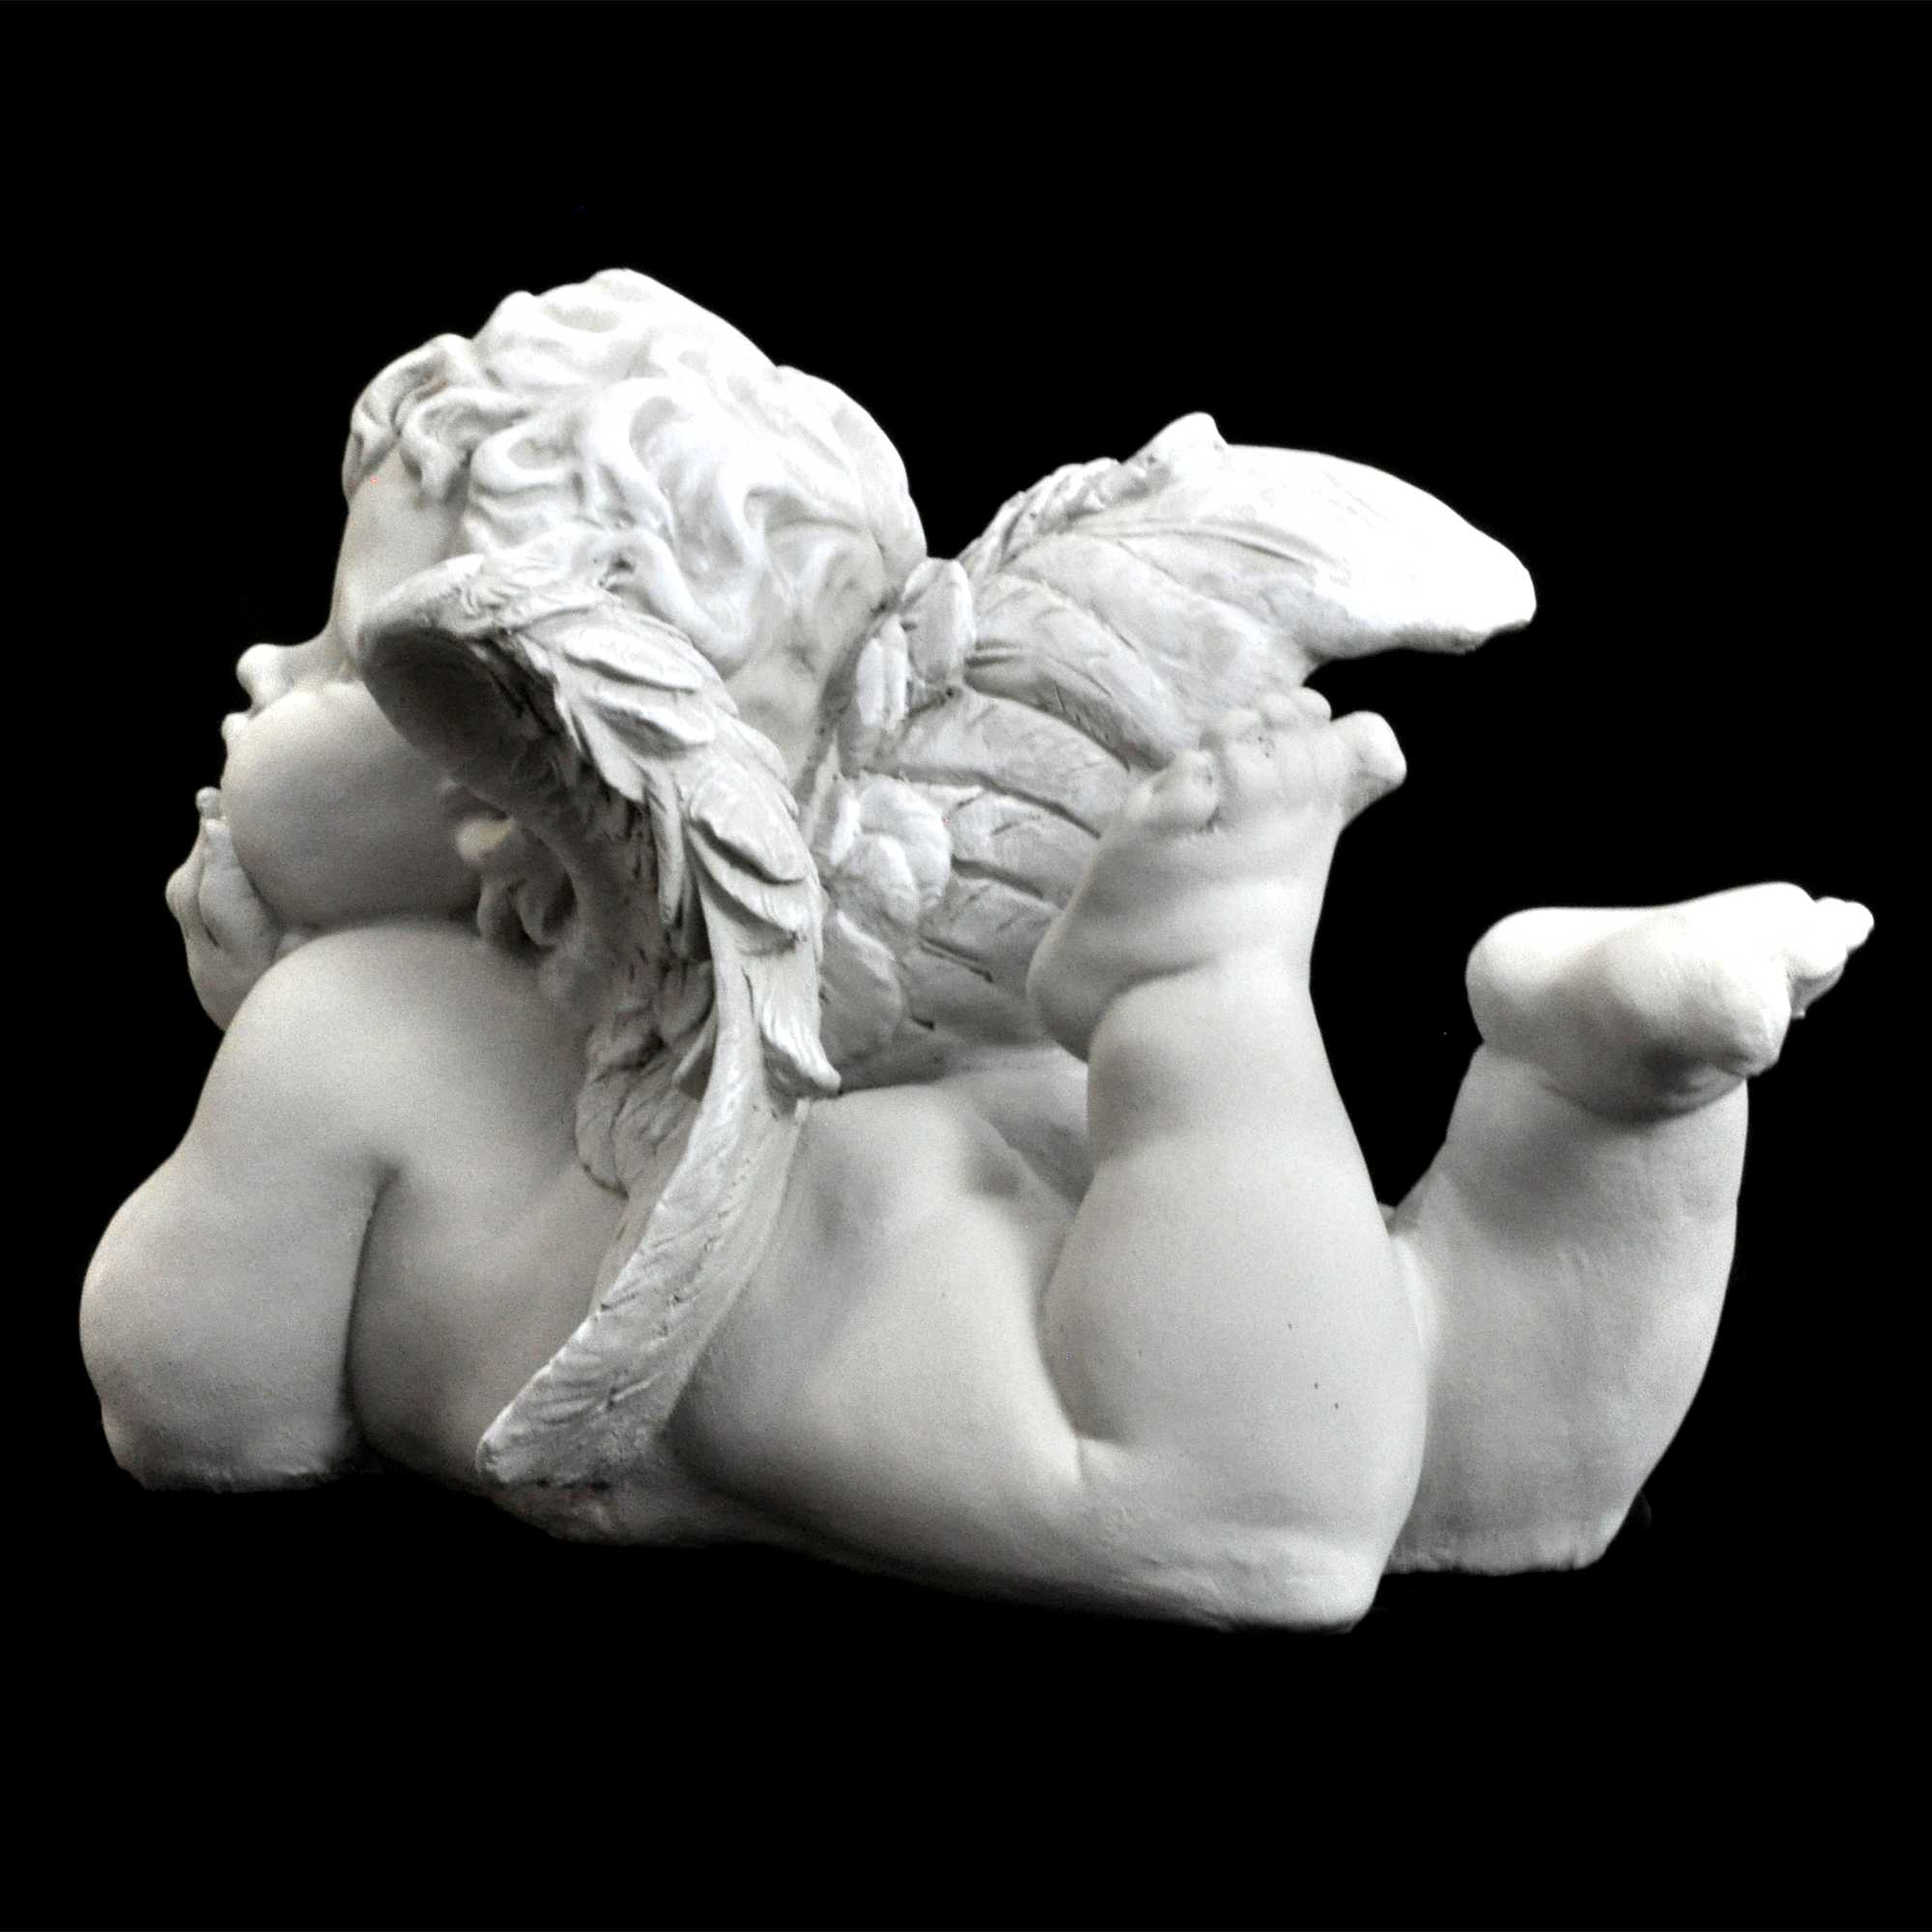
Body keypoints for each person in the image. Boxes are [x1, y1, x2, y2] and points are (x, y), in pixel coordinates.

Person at [80, 271, 1871, 1627]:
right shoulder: (731, 1025)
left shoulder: (351, 1026)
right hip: (1042, 1189)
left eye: (339, 653)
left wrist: (260, 1022)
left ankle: (1204, 983)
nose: (263, 669)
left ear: (516, 757)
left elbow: (190, 1397)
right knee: (1467, 1429)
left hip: (878, 1317)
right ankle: (1598, 1101)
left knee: (1270, 1506)